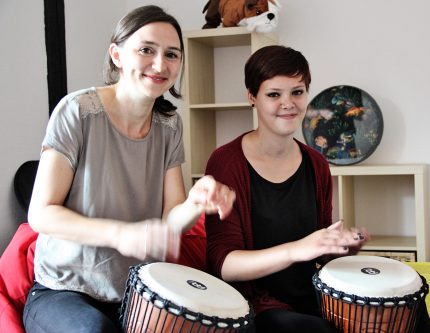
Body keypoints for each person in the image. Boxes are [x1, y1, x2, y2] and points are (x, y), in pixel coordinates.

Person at [22, 6, 235, 333]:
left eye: (172, 54)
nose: (160, 64)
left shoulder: (169, 125)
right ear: (117, 55)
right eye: (146, 50)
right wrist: (120, 234)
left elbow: (170, 221)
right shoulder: (77, 111)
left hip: (136, 292)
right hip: (62, 289)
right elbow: (41, 214)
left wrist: (195, 202)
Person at [204, 45, 370, 333]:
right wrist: (297, 250)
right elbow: (224, 264)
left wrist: (342, 247)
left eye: (297, 91)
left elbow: (318, 256)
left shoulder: (316, 163)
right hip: (254, 305)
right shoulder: (226, 162)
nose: (288, 103)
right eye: (273, 94)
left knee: (409, 307)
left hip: (311, 294)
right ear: (252, 97)